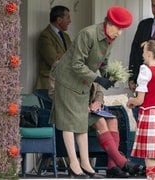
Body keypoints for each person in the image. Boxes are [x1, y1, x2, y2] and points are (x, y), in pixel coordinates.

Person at [50, 6, 133, 178]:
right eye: (118, 28)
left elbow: (102, 63)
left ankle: (86, 164)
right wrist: (97, 79)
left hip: (83, 83)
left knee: (81, 123)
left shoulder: (109, 39)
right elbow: (76, 64)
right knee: (70, 123)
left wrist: (108, 77)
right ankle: (74, 164)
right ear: (109, 24)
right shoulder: (87, 34)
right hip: (67, 80)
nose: (120, 33)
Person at [127, 40, 155, 180]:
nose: (142, 54)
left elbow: (140, 100)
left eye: (143, 51)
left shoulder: (145, 70)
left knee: (150, 155)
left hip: (149, 114)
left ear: (149, 53)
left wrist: (130, 101)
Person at [89, 83, 144, 178]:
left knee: (113, 120)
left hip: (93, 110)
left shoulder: (92, 72)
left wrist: (97, 102)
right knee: (100, 121)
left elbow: (99, 93)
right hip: (77, 112)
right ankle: (122, 162)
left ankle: (112, 167)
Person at [35, 5, 71, 90]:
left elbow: (74, 54)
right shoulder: (45, 36)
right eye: (68, 17)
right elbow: (54, 60)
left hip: (63, 84)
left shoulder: (66, 36)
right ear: (59, 20)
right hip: (48, 86)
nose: (70, 21)